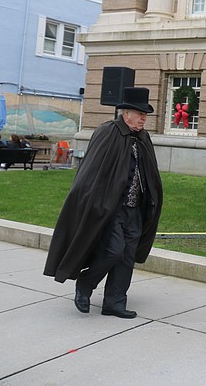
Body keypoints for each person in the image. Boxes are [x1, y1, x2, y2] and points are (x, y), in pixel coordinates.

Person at [43, 87, 163, 319]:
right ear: (126, 113)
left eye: (145, 114)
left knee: (127, 256)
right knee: (113, 251)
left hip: (135, 209)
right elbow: (90, 173)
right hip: (110, 208)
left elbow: (149, 172)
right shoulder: (108, 132)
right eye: (140, 113)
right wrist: (94, 201)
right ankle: (85, 284)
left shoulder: (143, 137)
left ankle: (115, 302)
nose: (143, 118)